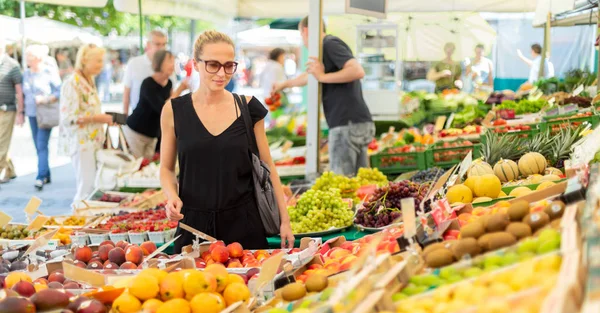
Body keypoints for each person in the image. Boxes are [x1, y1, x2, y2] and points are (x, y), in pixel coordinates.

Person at [161, 30, 294, 252]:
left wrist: (285, 220)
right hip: (193, 227)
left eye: (229, 65)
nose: (222, 73)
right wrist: (171, 196)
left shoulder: (249, 108)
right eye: (213, 64)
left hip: (244, 226)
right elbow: (165, 168)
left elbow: (268, 167)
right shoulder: (173, 110)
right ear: (196, 64)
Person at [273, 17, 374, 177]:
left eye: (301, 34)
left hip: (346, 124)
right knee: (360, 182)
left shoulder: (329, 43)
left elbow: (357, 71)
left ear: (305, 31)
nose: (303, 40)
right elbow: (310, 77)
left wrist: (322, 77)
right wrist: (284, 85)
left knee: (341, 184)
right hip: (356, 121)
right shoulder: (324, 48)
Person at [59, 44, 114, 205]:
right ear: (84, 60)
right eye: (97, 61)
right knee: (86, 188)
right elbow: (68, 117)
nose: (101, 65)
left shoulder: (89, 80)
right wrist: (98, 118)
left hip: (93, 141)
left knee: (93, 187)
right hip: (82, 143)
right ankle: (78, 223)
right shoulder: (72, 83)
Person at [123, 50, 188, 159]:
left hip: (153, 135)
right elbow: (164, 108)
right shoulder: (148, 84)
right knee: (135, 167)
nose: (173, 64)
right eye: (169, 61)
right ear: (159, 63)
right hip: (136, 132)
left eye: (173, 61)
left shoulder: (169, 84)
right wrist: (180, 89)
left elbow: (173, 107)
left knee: (148, 170)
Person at [22, 45, 62, 190]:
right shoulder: (26, 74)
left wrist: (46, 99)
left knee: (41, 144)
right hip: (32, 113)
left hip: (45, 113)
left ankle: (40, 177)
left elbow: (59, 91)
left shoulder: (48, 72)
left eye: (29, 56)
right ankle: (46, 173)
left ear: (37, 58)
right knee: (38, 145)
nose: (26, 59)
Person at [122, 30, 168, 115]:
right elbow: (127, 91)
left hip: (161, 120)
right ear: (148, 45)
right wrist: (125, 114)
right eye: (158, 44)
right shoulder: (134, 63)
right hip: (138, 119)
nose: (162, 48)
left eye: (164, 44)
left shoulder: (169, 65)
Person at [0, 37, 24, 184]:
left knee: (2, 142)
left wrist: (20, 113)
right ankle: (10, 170)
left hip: (7, 109)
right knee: (2, 143)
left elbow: (19, 91)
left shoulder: (12, 65)